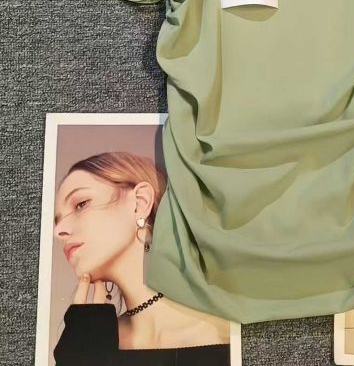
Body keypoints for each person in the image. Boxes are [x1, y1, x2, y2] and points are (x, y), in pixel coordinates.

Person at [53, 152, 230, 365]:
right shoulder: (86, 343)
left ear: (140, 202)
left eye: (81, 203)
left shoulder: (230, 333)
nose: (58, 231)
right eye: (57, 220)